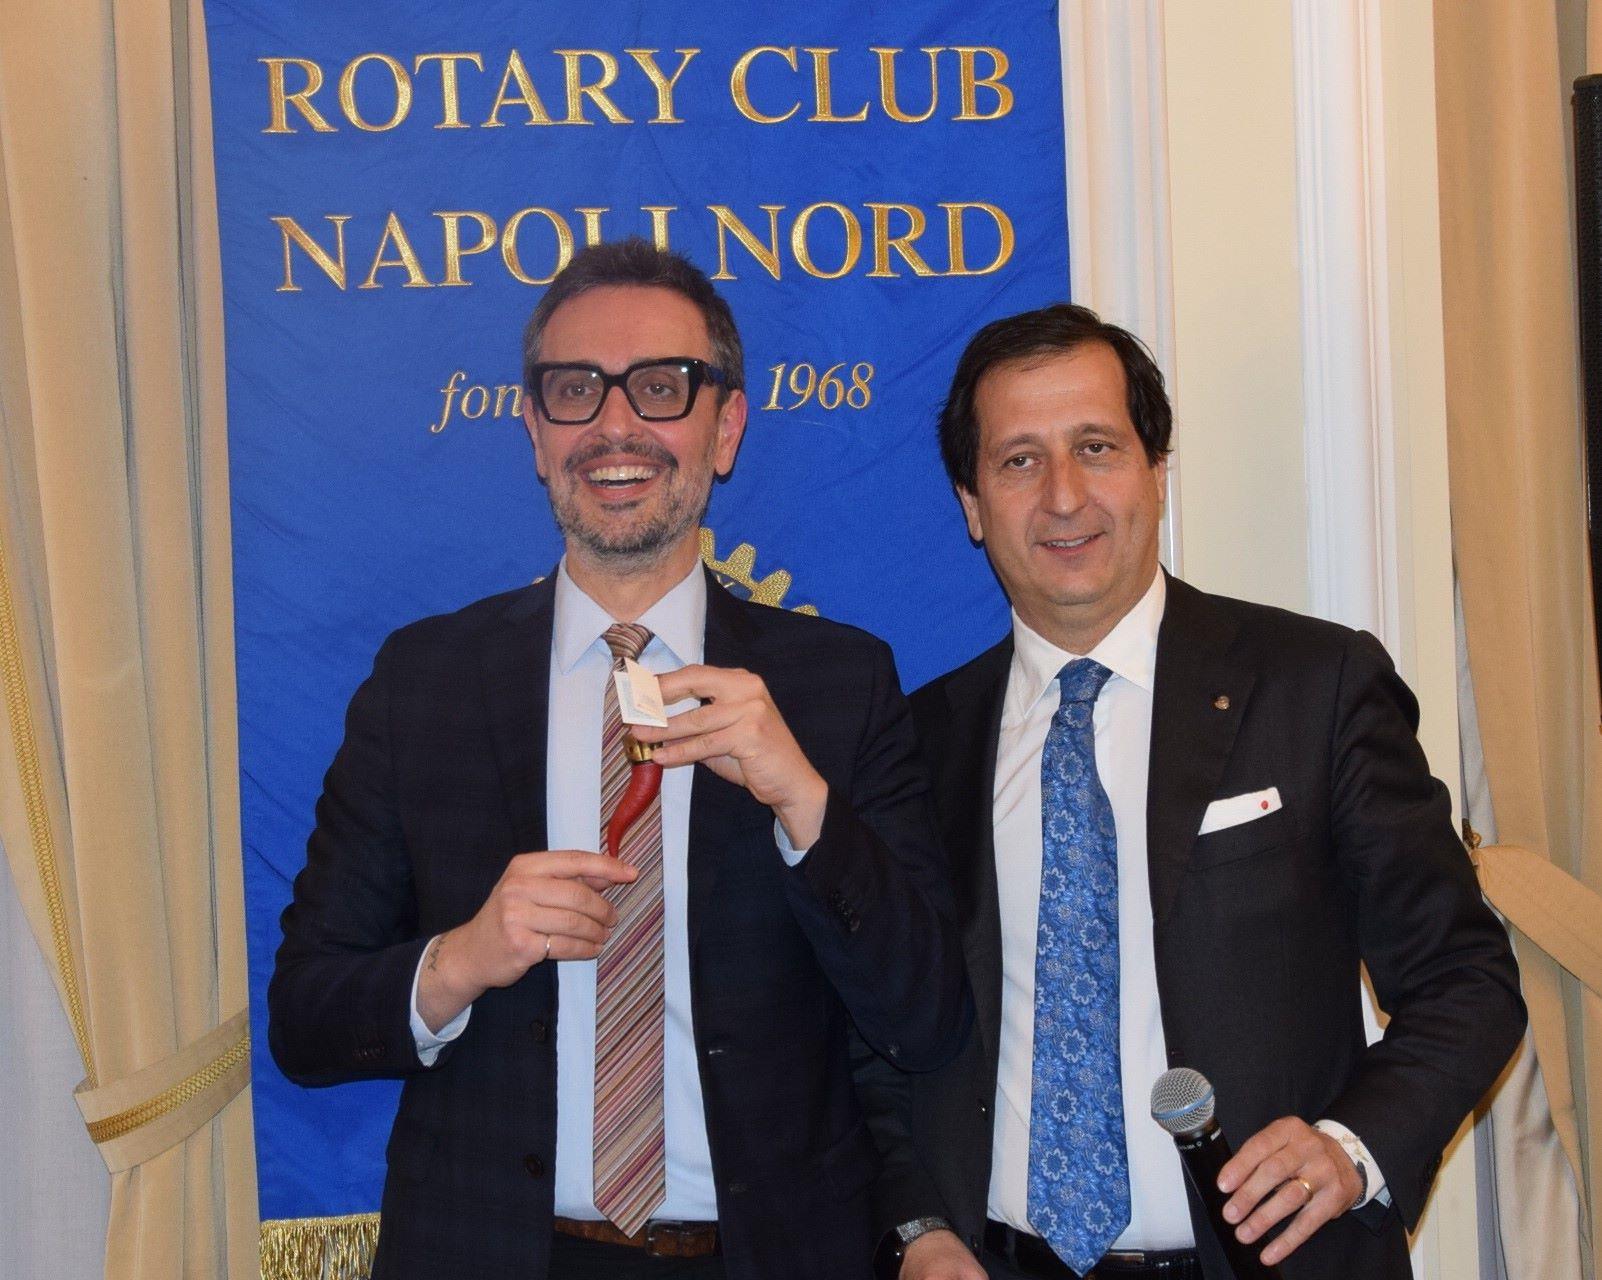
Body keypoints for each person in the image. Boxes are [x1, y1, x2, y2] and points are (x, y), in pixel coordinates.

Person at [268, 238, 968, 1280]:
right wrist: (462, 957)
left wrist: (804, 804)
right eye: (574, 389)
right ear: (534, 430)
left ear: (726, 427)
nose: (614, 425)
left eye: (661, 386)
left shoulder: (838, 685)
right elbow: (304, 1020)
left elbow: (926, 1018)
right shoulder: (424, 682)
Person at [867, 303, 1525, 1280]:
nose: (1064, 496)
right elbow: (880, 1033)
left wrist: (1351, 1149)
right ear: (972, 504)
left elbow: (1465, 979)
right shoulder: (920, 741)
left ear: (1156, 471)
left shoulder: (1316, 687)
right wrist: (917, 1225)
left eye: (1097, 447)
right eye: (1019, 460)